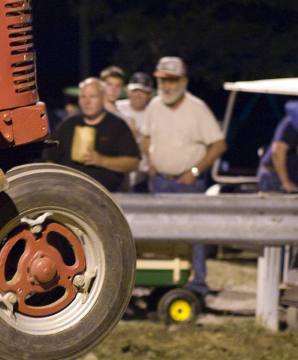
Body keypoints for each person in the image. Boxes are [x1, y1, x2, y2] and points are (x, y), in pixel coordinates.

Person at [141, 57, 227, 295]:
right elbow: (146, 136)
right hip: (160, 181)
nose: (167, 86)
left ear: (183, 82)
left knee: (193, 234)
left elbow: (218, 144)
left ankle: (198, 282)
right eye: (163, 80)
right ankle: (166, 281)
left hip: (188, 184)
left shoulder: (197, 108)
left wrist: (195, 171)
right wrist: (151, 164)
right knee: (161, 235)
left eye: (172, 80)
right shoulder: (154, 106)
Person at [44, 77, 139, 192]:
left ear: (103, 98)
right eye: (83, 96)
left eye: (92, 96)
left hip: (106, 196)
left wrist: (101, 160)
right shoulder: (68, 124)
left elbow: (133, 163)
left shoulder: (117, 126)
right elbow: (51, 159)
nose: (86, 101)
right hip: (70, 194)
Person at [116, 72, 155, 192]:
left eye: (143, 91)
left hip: (145, 173)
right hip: (120, 170)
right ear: (128, 91)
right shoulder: (116, 108)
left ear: (150, 95)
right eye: (135, 90)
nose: (138, 95)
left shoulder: (155, 112)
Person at [257, 113, 298, 193]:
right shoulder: (294, 122)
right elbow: (277, 151)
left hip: (290, 178)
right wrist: (286, 183)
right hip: (275, 177)